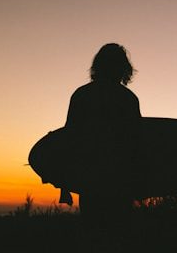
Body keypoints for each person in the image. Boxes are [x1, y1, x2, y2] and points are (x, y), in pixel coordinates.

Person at [63, 43, 141, 250]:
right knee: (117, 240)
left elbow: (70, 141)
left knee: (93, 239)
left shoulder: (81, 95)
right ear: (123, 68)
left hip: (91, 183)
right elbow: (137, 146)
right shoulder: (128, 99)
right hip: (120, 183)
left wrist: (65, 184)